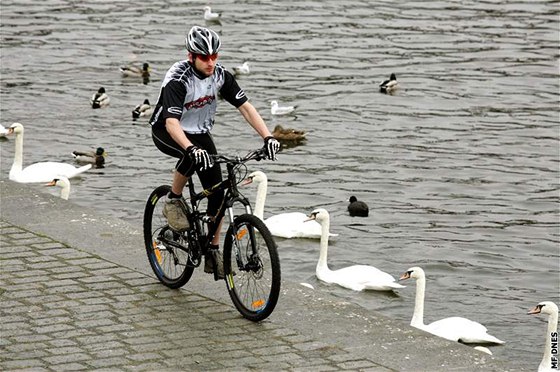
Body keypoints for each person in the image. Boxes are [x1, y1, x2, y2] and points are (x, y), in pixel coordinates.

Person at [150, 26, 280, 279]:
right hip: (166, 129)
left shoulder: (220, 76)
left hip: (198, 131)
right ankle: (173, 200)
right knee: (191, 155)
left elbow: (246, 107)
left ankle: (212, 249)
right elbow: (171, 123)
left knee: (218, 193)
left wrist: (268, 136)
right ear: (192, 57)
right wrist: (190, 147)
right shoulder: (178, 79)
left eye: (214, 56)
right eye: (204, 58)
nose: (211, 62)